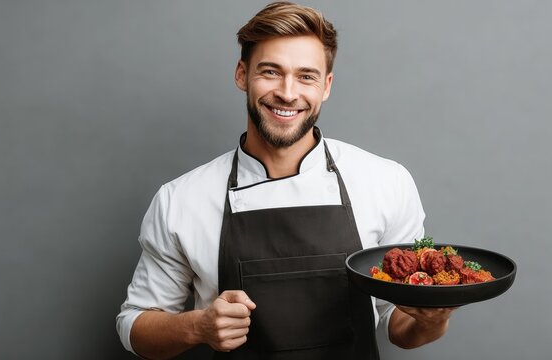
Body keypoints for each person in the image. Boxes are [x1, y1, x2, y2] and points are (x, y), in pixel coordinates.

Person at [117, 2, 455, 359]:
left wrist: (432, 320)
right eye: (270, 72)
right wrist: (197, 326)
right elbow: (134, 326)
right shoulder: (181, 199)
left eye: (306, 76)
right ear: (241, 75)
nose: (288, 93)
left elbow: (397, 324)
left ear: (326, 86)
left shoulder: (385, 182)